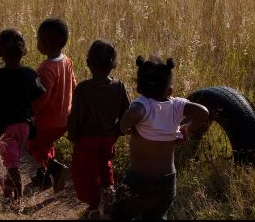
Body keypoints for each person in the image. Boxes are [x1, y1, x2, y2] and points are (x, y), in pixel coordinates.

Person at [110, 56, 209, 221]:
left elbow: (134, 114)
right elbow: (203, 112)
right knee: (156, 216)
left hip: (140, 180)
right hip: (168, 181)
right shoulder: (177, 106)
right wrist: (187, 129)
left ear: (139, 88)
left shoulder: (142, 105)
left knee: (119, 213)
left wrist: (122, 127)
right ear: (169, 90)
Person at [0, 29, 45, 205]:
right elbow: (39, 94)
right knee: (13, 159)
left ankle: (18, 199)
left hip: (6, 128)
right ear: (25, 51)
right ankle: (7, 186)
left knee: (12, 165)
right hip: (25, 127)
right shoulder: (30, 74)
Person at [67, 40, 130, 219]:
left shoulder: (83, 89)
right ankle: (109, 190)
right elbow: (128, 113)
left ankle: (94, 207)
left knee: (88, 173)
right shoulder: (119, 86)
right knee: (105, 164)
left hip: (87, 139)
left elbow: (76, 116)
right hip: (108, 137)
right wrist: (118, 131)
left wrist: (73, 135)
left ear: (88, 63)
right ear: (113, 64)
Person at [28, 18, 76, 193]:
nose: (37, 43)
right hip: (64, 120)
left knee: (33, 145)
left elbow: (42, 97)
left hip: (46, 122)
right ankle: (44, 177)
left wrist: (31, 113)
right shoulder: (67, 61)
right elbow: (73, 85)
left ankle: (54, 168)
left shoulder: (46, 68)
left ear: (46, 43)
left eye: (38, 39)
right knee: (47, 145)